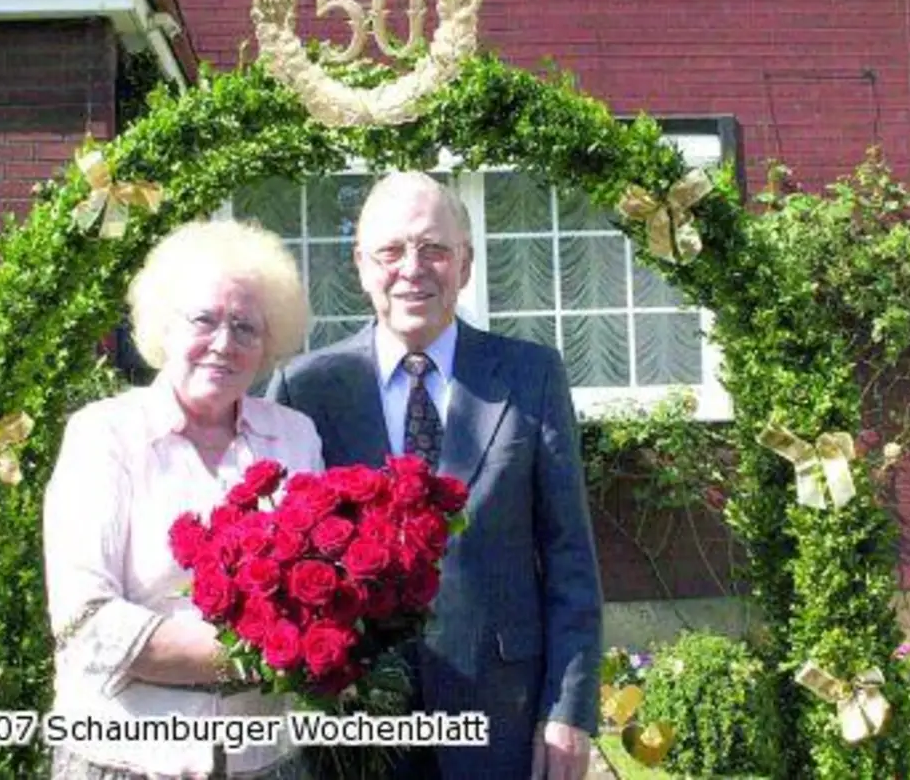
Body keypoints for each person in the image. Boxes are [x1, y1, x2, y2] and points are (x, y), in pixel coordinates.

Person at [266, 172, 603, 780]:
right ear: (361, 265)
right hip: (355, 717)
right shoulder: (306, 389)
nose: (412, 269)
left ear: (466, 263)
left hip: (500, 709)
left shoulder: (530, 377)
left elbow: (569, 558)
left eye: (435, 249)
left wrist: (569, 710)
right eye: (391, 251)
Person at [45, 219, 322, 779]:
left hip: (264, 760)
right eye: (204, 320)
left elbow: (319, 583)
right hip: (124, 759)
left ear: (269, 343)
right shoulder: (104, 434)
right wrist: (262, 654)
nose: (224, 343)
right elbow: (85, 619)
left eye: (246, 327)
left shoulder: (295, 435)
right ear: (164, 328)